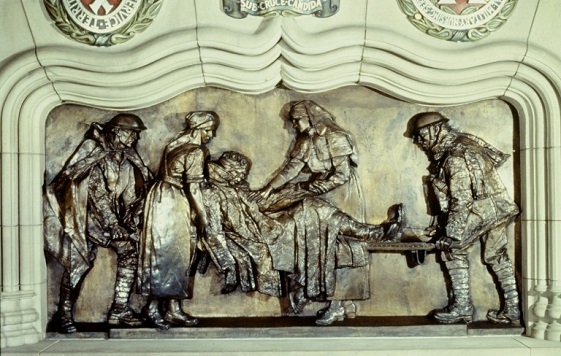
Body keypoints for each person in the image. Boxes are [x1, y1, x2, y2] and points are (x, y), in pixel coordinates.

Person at [203, 151, 402, 325]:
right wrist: (226, 258)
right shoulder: (212, 193)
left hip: (273, 225)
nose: (241, 178)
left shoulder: (237, 190)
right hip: (268, 234)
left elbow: (265, 204)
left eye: (242, 174)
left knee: (314, 206)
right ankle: (373, 233)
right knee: (314, 209)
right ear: (227, 171)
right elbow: (214, 228)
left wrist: (297, 190)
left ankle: (372, 232)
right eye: (238, 173)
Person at [250, 100, 372, 322]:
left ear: (310, 116)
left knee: (342, 247)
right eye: (293, 121)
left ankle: (338, 304)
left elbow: (342, 174)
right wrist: (270, 188)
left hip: (342, 195)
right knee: (320, 243)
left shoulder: (335, 136)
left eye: (297, 119)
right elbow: (292, 168)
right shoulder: (305, 140)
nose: (294, 125)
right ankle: (331, 299)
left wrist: (320, 187)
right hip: (320, 194)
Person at [406, 112, 521, 325]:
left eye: (421, 135)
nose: (418, 141)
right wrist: (440, 225)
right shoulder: (463, 144)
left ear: (435, 130)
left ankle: (462, 307)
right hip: (497, 208)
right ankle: (512, 309)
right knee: (497, 256)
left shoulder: (454, 157)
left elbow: (461, 199)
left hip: (482, 211)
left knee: (452, 248)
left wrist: (451, 234)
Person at [44, 113, 153, 333]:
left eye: (137, 134)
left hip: (110, 216)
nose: (135, 138)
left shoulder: (126, 155)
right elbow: (95, 192)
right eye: (132, 133)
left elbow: (130, 188)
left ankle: (119, 309)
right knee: (80, 261)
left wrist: (132, 216)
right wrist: (113, 225)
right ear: (116, 131)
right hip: (85, 215)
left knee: (129, 251)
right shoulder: (92, 148)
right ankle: (64, 313)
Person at [137, 111, 223, 329]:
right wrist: (203, 216)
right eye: (208, 130)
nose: (211, 135)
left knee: (172, 253)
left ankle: (173, 309)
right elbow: (193, 186)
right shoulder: (196, 151)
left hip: (160, 196)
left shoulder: (174, 144)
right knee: (171, 253)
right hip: (174, 200)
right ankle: (153, 307)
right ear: (198, 129)